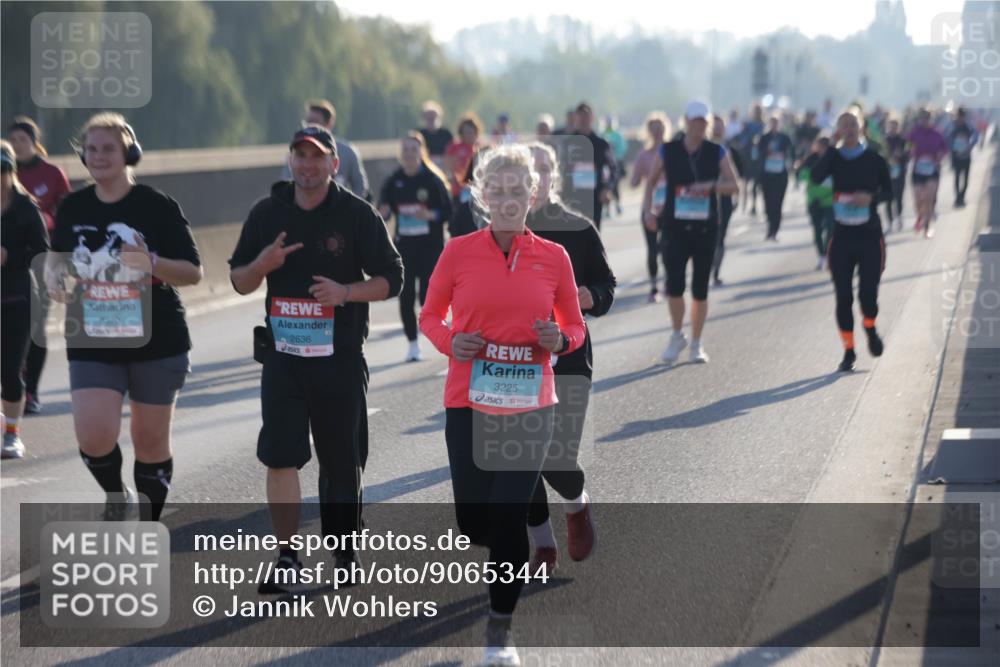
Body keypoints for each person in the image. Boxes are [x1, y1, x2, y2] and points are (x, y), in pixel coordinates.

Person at [419, 144, 586, 666]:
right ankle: (510, 557)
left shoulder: (554, 258)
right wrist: (452, 343)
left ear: (532, 196)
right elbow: (430, 317)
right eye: (500, 190)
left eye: (519, 191)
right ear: (483, 194)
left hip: (530, 406)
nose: (510, 200)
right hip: (467, 402)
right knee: (474, 523)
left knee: (509, 515)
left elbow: (575, 327)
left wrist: (558, 340)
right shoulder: (458, 252)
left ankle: (499, 631)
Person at [229, 124, 403, 589]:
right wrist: (262, 265)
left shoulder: (356, 214)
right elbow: (239, 280)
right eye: (299, 155)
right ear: (290, 160)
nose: (308, 164)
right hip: (283, 358)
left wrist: (345, 292)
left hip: (339, 358)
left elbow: (393, 278)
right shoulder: (267, 213)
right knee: (280, 457)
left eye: (317, 156)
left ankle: (343, 551)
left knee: (340, 462)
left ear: (334, 163)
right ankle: (287, 557)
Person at [45, 113, 202, 519]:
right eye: (91, 149)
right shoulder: (72, 207)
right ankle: (116, 494)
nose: (98, 157)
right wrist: (55, 278)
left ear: (128, 153)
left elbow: (192, 272)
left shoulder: (158, 206)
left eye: (108, 149)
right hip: (93, 337)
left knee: (149, 442)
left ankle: (149, 523)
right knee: (94, 437)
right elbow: (60, 270)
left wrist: (149, 261)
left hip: (158, 338)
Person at [524, 141, 615, 575]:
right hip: (516, 360)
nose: (535, 176)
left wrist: (590, 295)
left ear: (553, 176)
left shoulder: (577, 228)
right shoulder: (502, 231)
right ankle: (542, 545)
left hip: (569, 357)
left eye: (542, 169)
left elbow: (607, 286)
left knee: (556, 457)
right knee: (520, 458)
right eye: (528, 169)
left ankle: (576, 505)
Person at [641, 101, 739, 365]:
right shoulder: (668, 150)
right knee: (674, 285)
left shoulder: (716, 151)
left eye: (703, 121)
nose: (699, 125)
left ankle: (696, 342)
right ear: (686, 121)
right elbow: (650, 182)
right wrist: (649, 211)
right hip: (674, 226)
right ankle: (677, 334)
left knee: (700, 288)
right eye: (695, 120)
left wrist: (711, 185)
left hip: (706, 227)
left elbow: (734, 185)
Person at [811, 109, 891, 372]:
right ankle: (848, 350)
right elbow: (815, 177)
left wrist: (870, 198)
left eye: (853, 124)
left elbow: (889, 190)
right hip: (842, 237)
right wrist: (831, 150)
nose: (849, 129)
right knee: (843, 297)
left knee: (868, 295)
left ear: (862, 127)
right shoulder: (834, 157)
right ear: (838, 130)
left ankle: (869, 326)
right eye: (844, 125)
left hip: (869, 237)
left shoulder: (874, 158)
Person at [8, 116, 71, 414]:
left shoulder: (52, 174)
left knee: (36, 327)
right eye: (13, 140)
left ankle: (30, 390)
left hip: (45, 258)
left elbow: (67, 214)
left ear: (34, 143)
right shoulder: (4, 172)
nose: (18, 145)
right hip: (10, 265)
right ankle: (12, 381)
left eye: (23, 139)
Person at [378, 133, 452, 362]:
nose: (409, 153)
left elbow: (448, 212)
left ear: (422, 152)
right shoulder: (393, 180)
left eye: (414, 149)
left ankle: (436, 334)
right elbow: (383, 210)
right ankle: (412, 343)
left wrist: (429, 214)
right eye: (406, 149)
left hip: (430, 247)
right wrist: (384, 212)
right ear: (401, 154)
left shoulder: (433, 180)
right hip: (404, 248)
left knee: (427, 297)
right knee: (405, 294)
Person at [1, 141, 48, 459]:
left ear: (12, 171)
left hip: (17, 298)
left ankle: (12, 435)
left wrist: (10, 256)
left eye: (3, 170)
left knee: (8, 370)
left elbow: (42, 251)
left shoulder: (26, 207)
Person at [631, 112, 671, 302]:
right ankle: (654, 286)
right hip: (650, 208)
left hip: (670, 208)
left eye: (660, 129)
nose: (657, 133)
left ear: (665, 130)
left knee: (669, 246)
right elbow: (634, 181)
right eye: (653, 130)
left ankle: (669, 281)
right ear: (649, 132)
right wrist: (636, 178)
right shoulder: (644, 155)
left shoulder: (673, 153)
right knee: (652, 248)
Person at [563, 102, 616, 231]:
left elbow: (613, 169)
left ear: (592, 118)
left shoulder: (601, 144)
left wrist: (607, 189)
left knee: (593, 236)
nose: (583, 119)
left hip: (594, 198)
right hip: (571, 199)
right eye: (580, 116)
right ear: (575, 117)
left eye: (586, 115)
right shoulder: (566, 144)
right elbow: (558, 169)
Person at [303, 99, 370, 199]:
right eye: (308, 122)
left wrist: (348, 210)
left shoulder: (347, 152)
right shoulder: (297, 152)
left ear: (329, 124)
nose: (310, 126)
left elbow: (360, 188)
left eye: (315, 122)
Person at [908, 108, 947, 238]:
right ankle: (920, 215)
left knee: (929, 198)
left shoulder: (937, 133)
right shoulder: (914, 133)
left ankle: (927, 227)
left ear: (931, 119)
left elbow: (944, 148)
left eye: (927, 118)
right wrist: (910, 151)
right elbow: (907, 146)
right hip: (918, 170)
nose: (925, 120)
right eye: (923, 118)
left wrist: (939, 157)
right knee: (919, 200)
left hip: (932, 169)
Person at [797, 136, 834, 270]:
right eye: (820, 147)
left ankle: (827, 252)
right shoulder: (810, 160)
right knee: (817, 230)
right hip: (814, 201)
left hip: (830, 201)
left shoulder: (835, 159)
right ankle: (821, 256)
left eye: (824, 147)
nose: (821, 150)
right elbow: (802, 176)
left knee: (830, 228)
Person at [759, 114, 794, 240]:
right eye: (772, 123)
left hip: (780, 175)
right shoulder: (764, 138)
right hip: (767, 174)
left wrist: (790, 162)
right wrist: (767, 152)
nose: (774, 125)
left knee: (778, 202)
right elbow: (758, 154)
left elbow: (791, 152)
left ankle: (775, 229)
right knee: (768, 202)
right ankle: (770, 226)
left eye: (776, 123)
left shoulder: (784, 138)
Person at [444, 113, 482, 205]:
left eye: (471, 132)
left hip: (477, 192)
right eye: (466, 132)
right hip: (458, 192)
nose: (469, 135)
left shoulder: (480, 149)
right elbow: (449, 169)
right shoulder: (454, 148)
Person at [948, 107, 978, 208]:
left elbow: (976, 135)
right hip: (956, 156)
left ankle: (962, 196)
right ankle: (957, 197)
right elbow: (946, 137)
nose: (960, 118)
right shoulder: (952, 126)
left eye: (962, 116)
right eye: (959, 116)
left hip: (966, 156)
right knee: (956, 177)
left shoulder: (968, 126)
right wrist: (952, 149)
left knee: (965, 179)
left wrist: (970, 146)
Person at [883, 117, 908, 231]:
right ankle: (890, 222)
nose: (893, 128)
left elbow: (908, 153)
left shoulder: (903, 140)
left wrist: (901, 155)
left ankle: (899, 217)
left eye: (895, 126)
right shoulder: (884, 140)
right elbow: (882, 155)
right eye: (891, 126)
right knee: (888, 198)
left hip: (900, 172)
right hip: (887, 173)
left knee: (899, 197)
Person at [602, 115, 627, 218]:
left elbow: (622, 148)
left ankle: (617, 204)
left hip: (616, 163)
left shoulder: (617, 135)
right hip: (605, 164)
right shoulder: (602, 134)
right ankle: (607, 208)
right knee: (606, 185)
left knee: (615, 186)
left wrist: (615, 154)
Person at [418, 100, 454, 168]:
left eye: (433, 117)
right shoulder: (419, 135)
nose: (431, 120)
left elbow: (452, 154)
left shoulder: (447, 134)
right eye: (428, 118)